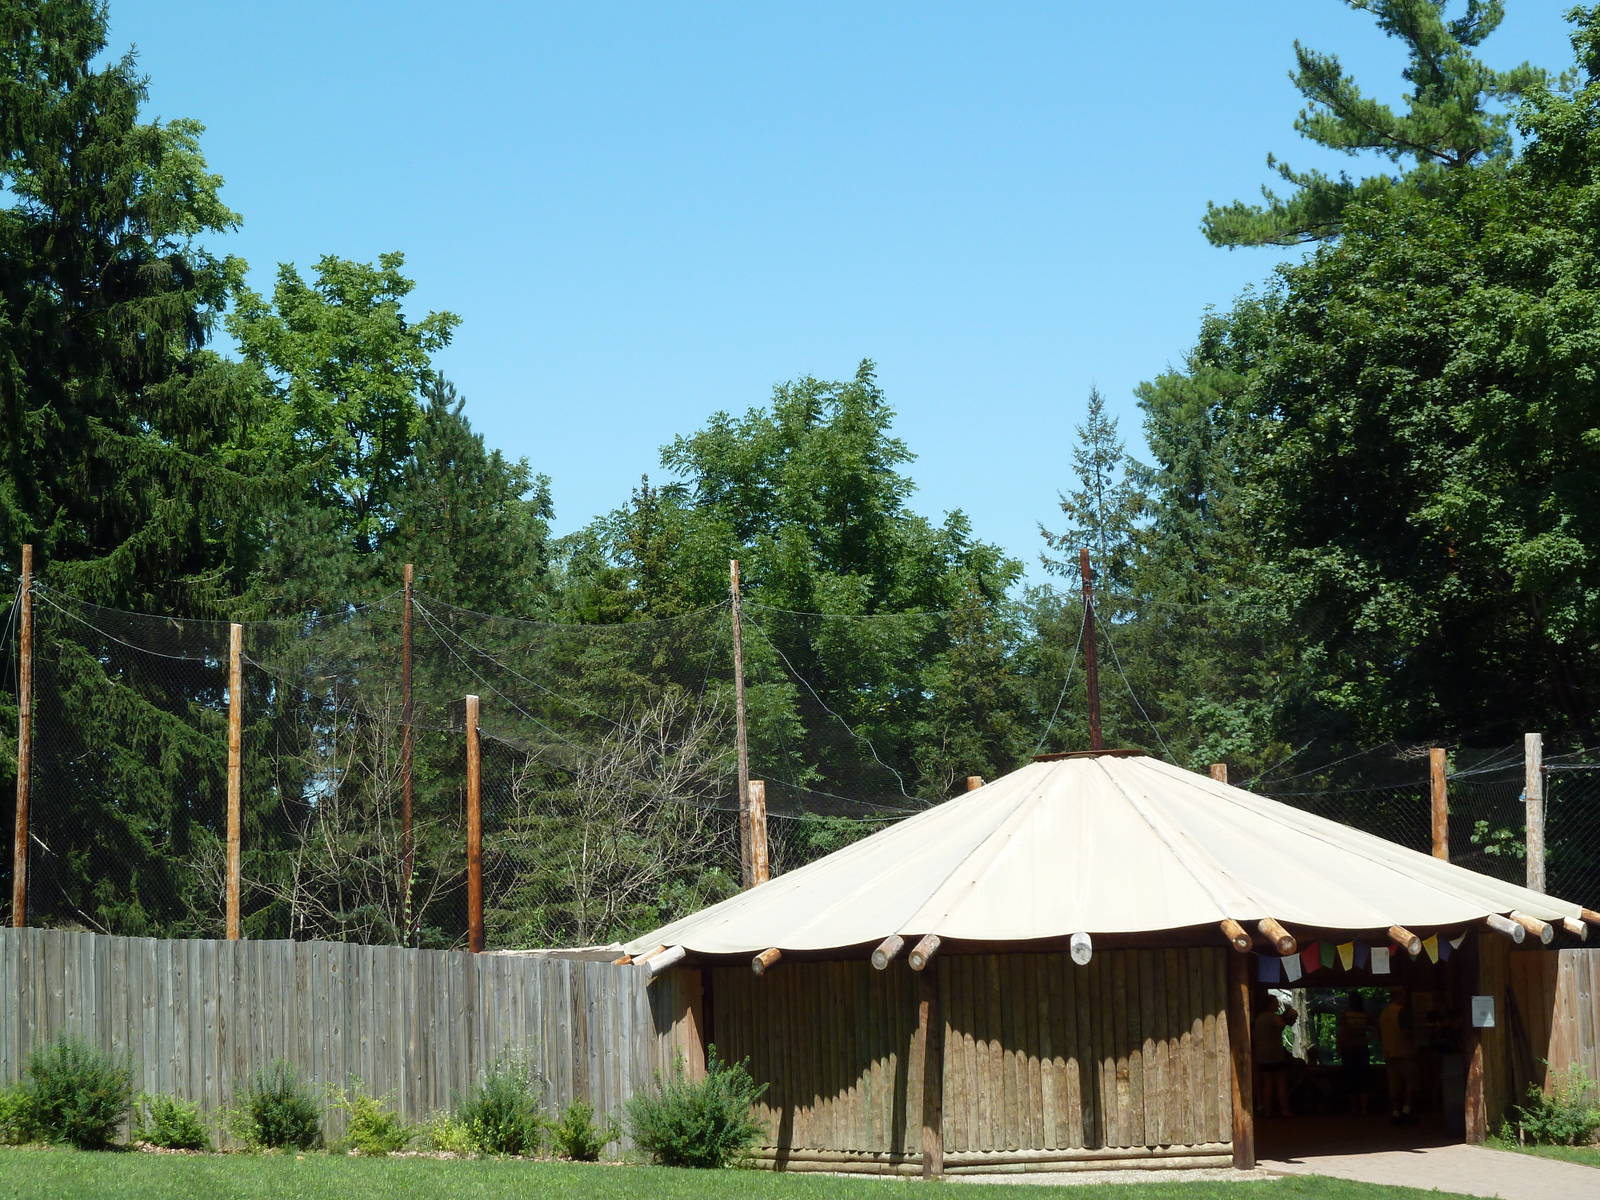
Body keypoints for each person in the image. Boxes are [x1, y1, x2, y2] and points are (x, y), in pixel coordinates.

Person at [1380, 986, 1418, 1123]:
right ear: (1399, 996)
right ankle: (1407, 1110)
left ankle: (1395, 1111)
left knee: (1394, 1084)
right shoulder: (1402, 1011)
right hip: (1404, 1051)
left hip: (1389, 1053)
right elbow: (1405, 1032)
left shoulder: (1384, 1013)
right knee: (1409, 1082)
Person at [1253, 994, 1295, 1118]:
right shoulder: (1272, 1017)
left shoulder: (1259, 1018)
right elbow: (1281, 1025)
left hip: (1262, 1055)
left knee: (1267, 1083)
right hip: (1274, 1055)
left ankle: (1267, 1111)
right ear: (1270, 1004)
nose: (1277, 1005)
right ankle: (1284, 1110)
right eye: (1276, 1002)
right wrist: (1287, 1016)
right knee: (1280, 1082)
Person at [1337, 991, 1373, 1115]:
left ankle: (1353, 1108)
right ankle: (1364, 1108)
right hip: (1362, 1049)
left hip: (1348, 1049)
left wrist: (1339, 1047)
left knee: (1350, 1078)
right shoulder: (1365, 1015)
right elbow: (1374, 1028)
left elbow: (1341, 1032)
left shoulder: (1345, 1015)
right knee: (1364, 1078)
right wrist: (1368, 1039)